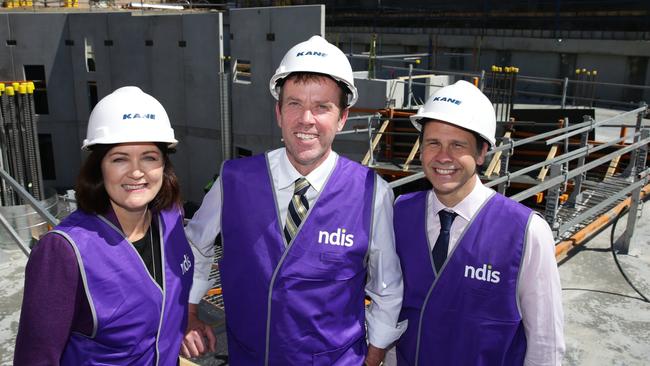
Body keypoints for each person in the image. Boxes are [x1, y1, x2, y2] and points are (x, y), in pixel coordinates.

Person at [182, 35, 405, 365]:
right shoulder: (234, 180)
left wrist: (372, 358)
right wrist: (189, 312)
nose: (306, 119)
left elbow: (387, 288)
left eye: (322, 107)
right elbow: (195, 244)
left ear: (342, 118)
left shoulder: (371, 194)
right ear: (278, 112)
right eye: (295, 104)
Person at [14, 86, 194, 365]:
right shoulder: (65, 251)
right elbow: (35, 358)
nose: (136, 171)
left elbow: (168, 301)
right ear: (99, 167)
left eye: (149, 156)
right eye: (120, 159)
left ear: (163, 165)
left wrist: (186, 323)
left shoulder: (171, 218)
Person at [393, 80, 565, 365]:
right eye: (433, 143)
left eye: (457, 145)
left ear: (482, 152)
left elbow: (546, 341)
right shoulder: (400, 213)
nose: (443, 157)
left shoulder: (525, 232)